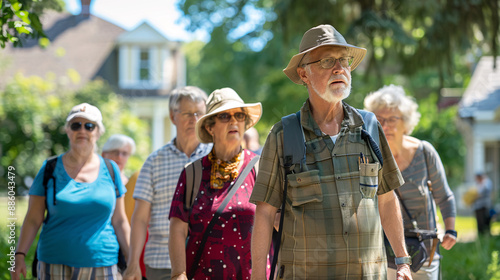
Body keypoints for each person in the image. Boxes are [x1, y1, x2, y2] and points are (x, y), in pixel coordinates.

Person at [250, 24, 413, 280]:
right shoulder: (284, 135)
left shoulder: (369, 128)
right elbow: (265, 213)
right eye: (327, 61)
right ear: (304, 75)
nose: (339, 68)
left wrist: (402, 261)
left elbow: (386, 198)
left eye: (344, 60)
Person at [11, 103, 130, 280]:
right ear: (67, 130)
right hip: (54, 263)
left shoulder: (111, 170)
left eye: (89, 126)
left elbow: (120, 221)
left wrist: (133, 261)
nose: (82, 130)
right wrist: (19, 255)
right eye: (76, 125)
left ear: (98, 132)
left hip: (102, 264)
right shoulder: (49, 169)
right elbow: (33, 218)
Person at [168, 87, 266, 280]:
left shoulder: (261, 168)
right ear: (209, 127)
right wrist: (178, 273)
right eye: (224, 116)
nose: (233, 121)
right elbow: (178, 228)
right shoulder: (192, 173)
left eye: (239, 115)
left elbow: (279, 222)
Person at [364, 84, 457, 280]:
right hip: (386, 251)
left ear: (405, 122)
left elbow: (444, 196)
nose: (385, 125)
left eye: (392, 119)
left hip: (425, 250)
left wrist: (450, 229)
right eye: (379, 119)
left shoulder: (424, 152)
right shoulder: (369, 157)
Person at [124, 86, 211, 280]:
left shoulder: (216, 158)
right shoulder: (154, 162)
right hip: (161, 263)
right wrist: (132, 264)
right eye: (187, 113)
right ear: (173, 116)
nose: (194, 119)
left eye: (199, 113)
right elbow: (139, 218)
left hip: (206, 261)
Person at [102, 134, 147, 278]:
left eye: (124, 153)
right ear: (104, 154)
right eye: (115, 152)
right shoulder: (96, 181)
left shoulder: (132, 182)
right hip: (103, 247)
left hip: (126, 247)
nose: (119, 157)